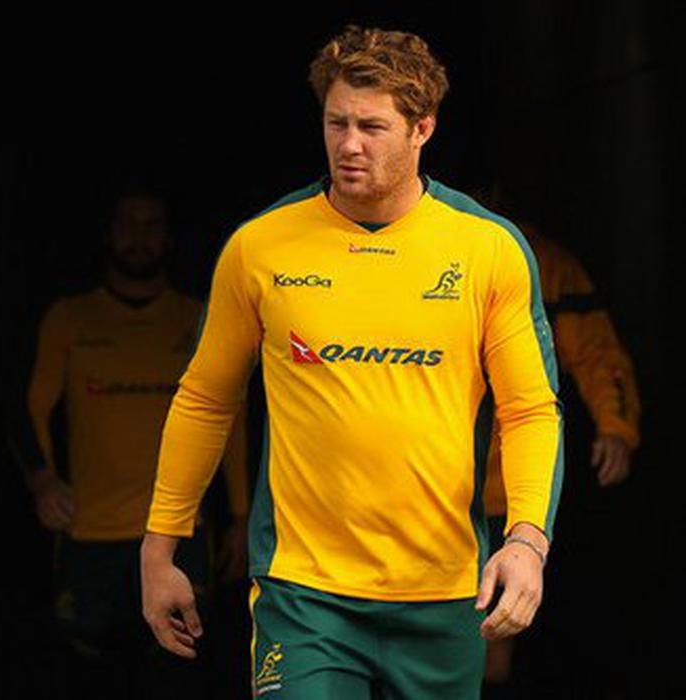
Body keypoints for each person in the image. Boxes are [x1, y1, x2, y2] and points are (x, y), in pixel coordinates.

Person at [141, 25, 564, 700]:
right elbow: (205, 399)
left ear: (422, 128)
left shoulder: (488, 249)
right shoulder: (261, 246)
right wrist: (160, 548)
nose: (349, 144)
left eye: (372, 127)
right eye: (336, 123)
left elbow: (530, 410)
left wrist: (527, 541)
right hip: (305, 593)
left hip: (444, 591)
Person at [15, 190, 249, 699]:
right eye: (127, 223)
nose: (139, 236)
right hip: (89, 532)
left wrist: (240, 514)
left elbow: (229, 418)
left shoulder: (196, 317)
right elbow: (29, 407)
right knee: (84, 671)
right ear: (107, 234)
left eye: (151, 225)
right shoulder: (70, 317)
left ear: (169, 239)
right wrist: (42, 480)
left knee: (177, 672)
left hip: (181, 533)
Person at [475, 186, 641, 696]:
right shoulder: (421, 252)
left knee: (495, 635)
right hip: (424, 489)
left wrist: (616, 428)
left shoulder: (546, 264)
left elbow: (595, 353)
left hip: (513, 491)